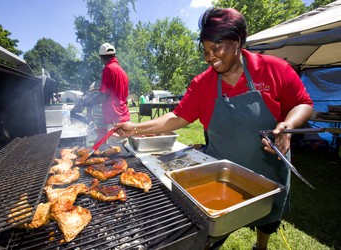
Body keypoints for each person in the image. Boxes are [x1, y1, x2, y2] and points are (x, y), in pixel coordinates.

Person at [114, 8, 313, 250]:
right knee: (211, 233)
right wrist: (134, 127)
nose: (210, 57)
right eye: (206, 51)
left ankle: (261, 246)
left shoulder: (273, 69)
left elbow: (303, 103)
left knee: (268, 219)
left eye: (216, 49)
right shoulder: (203, 83)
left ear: (238, 42)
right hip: (222, 172)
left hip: (267, 168)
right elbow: (177, 117)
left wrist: (288, 125)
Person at [73, 42, 130, 142]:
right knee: (124, 150)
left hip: (114, 118)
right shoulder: (123, 72)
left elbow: (104, 97)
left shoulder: (108, 69)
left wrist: (84, 103)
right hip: (124, 117)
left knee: (114, 152)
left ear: (102, 58)